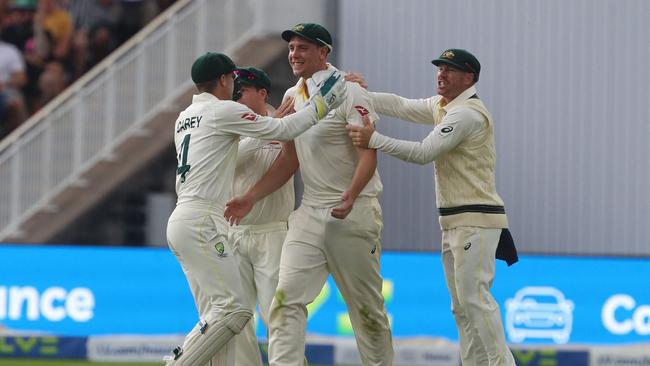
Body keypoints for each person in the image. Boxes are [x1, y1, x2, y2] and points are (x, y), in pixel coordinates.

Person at [225, 23, 394, 366]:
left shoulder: (350, 91)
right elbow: (290, 160)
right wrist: (251, 197)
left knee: (366, 312)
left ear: (323, 53)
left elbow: (368, 153)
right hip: (310, 213)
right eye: (291, 48)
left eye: (303, 48)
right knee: (284, 303)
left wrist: (350, 195)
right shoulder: (292, 96)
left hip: (354, 213)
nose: (294, 54)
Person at [164, 51, 346, 366]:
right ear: (222, 79)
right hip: (206, 222)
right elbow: (284, 131)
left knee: (225, 315)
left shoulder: (185, 117)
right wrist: (324, 102)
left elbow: (241, 149)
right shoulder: (224, 112)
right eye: (232, 80)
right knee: (233, 310)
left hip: (186, 220)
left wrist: (273, 122)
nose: (234, 87)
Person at [346, 49, 518, 366]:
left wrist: (374, 139)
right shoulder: (443, 106)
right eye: (439, 68)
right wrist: (361, 94)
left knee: (474, 300)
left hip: (477, 220)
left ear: (469, 77)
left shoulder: (466, 113)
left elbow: (424, 153)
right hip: (454, 221)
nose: (441, 74)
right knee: (462, 306)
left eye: (449, 70)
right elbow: (401, 105)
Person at [230, 66, 299, 366]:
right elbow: (229, 161)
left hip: (272, 232)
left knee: (277, 316)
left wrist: (276, 128)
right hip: (234, 231)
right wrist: (269, 126)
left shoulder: (284, 123)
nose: (236, 98)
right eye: (234, 92)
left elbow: (291, 162)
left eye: (242, 92)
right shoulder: (230, 124)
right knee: (237, 318)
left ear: (261, 93)